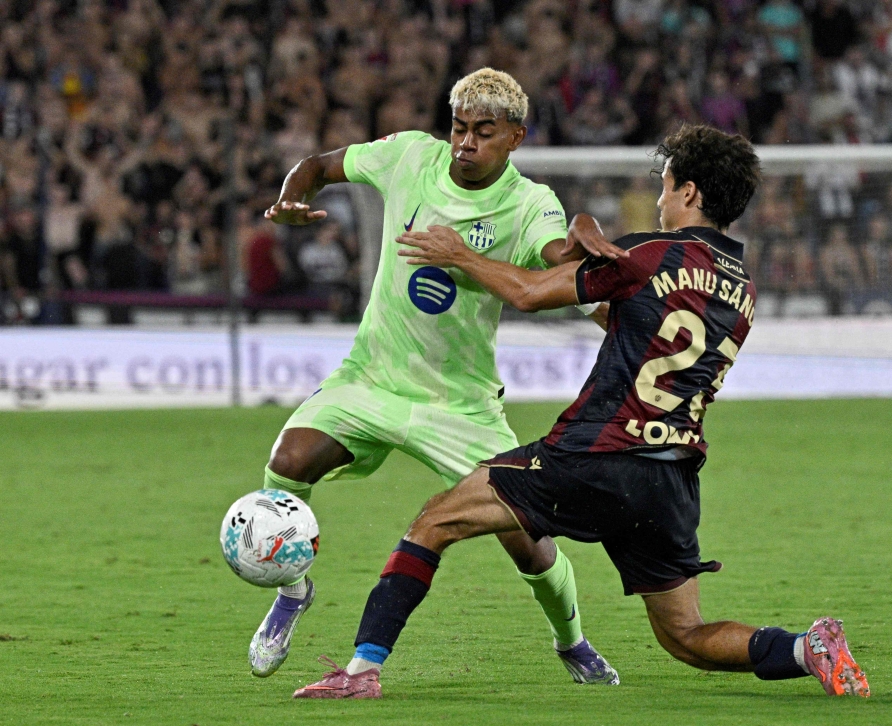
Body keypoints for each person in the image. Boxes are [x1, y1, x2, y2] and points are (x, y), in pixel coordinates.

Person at [292, 125, 871, 700]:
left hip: (596, 454)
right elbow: (630, 321)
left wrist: (459, 255)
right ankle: (808, 648)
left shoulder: (647, 254)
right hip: (670, 477)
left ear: (690, 192)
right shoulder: (741, 287)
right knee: (686, 636)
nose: (661, 200)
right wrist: (580, 230)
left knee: (434, 521)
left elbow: (529, 293)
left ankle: (361, 672)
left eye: (666, 186)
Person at [252, 68, 627, 685]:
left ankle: (573, 641)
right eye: (458, 128)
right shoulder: (408, 156)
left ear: (515, 138)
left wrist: (582, 232)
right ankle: (292, 589)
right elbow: (317, 165)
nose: (465, 143)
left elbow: (556, 260)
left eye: (484, 132)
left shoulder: (529, 203)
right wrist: (291, 196)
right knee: (287, 464)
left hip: (461, 405)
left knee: (528, 542)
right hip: (372, 378)